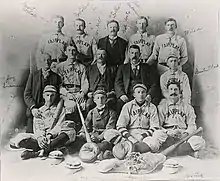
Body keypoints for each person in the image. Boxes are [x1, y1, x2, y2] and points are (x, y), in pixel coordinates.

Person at [104, 84, 164, 160]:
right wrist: (130, 137)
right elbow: (120, 126)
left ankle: (125, 150)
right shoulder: (127, 106)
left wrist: (143, 135)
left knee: (155, 142)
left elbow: (155, 127)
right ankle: (132, 148)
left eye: (143, 92)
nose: (141, 95)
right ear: (134, 94)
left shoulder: (152, 107)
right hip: (129, 134)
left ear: (146, 94)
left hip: (145, 135)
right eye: (138, 92)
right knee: (108, 133)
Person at [17, 85, 75, 160]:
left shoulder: (61, 109)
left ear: (56, 96)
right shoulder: (39, 111)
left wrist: (50, 135)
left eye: (52, 95)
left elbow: (60, 125)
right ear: (43, 96)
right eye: (47, 95)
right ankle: (51, 148)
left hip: (55, 137)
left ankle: (39, 152)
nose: (49, 98)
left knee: (71, 131)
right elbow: (37, 127)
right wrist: (40, 138)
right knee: (20, 138)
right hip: (44, 139)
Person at [157, 78, 205, 156]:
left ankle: (175, 151)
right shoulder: (162, 107)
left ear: (180, 92)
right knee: (157, 134)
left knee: (199, 141)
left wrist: (186, 134)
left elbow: (192, 125)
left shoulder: (187, 107)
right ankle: (184, 151)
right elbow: (158, 125)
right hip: (168, 135)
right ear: (168, 92)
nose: (173, 92)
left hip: (183, 134)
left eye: (176, 89)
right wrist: (168, 133)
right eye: (171, 89)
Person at [115, 44, 160, 113]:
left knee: (153, 103)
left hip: (143, 95)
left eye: (136, 53)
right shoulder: (122, 68)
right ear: (129, 54)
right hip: (128, 95)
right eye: (132, 53)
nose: (134, 56)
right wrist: (121, 94)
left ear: (140, 55)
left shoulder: (147, 67)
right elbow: (117, 82)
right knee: (119, 103)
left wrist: (149, 95)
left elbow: (154, 83)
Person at [24, 53, 62, 133]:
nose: (46, 62)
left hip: (50, 111)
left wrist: (52, 108)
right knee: (30, 136)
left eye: (48, 60)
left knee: (50, 135)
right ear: (40, 62)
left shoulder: (56, 77)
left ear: (51, 62)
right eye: (44, 60)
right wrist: (33, 108)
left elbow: (58, 95)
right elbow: (27, 94)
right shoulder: (33, 76)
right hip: (36, 110)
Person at [56, 44, 89, 132]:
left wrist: (82, 93)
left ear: (76, 53)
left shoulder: (82, 67)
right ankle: (69, 129)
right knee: (71, 106)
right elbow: (58, 85)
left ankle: (81, 130)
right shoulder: (60, 67)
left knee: (84, 106)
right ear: (66, 52)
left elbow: (85, 82)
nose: (71, 52)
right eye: (69, 50)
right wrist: (67, 94)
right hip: (66, 93)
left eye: (74, 50)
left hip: (78, 92)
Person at [78, 90, 117, 160]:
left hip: (105, 136)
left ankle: (96, 153)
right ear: (94, 100)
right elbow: (86, 125)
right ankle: (98, 153)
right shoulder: (92, 112)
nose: (100, 100)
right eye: (98, 98)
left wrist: (99, 138)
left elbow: (109, 128)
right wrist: (82, 133)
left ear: (106, 100)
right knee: (79, 140)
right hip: (93, 134)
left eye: (102, 98)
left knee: (105, 144)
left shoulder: (112, 113)